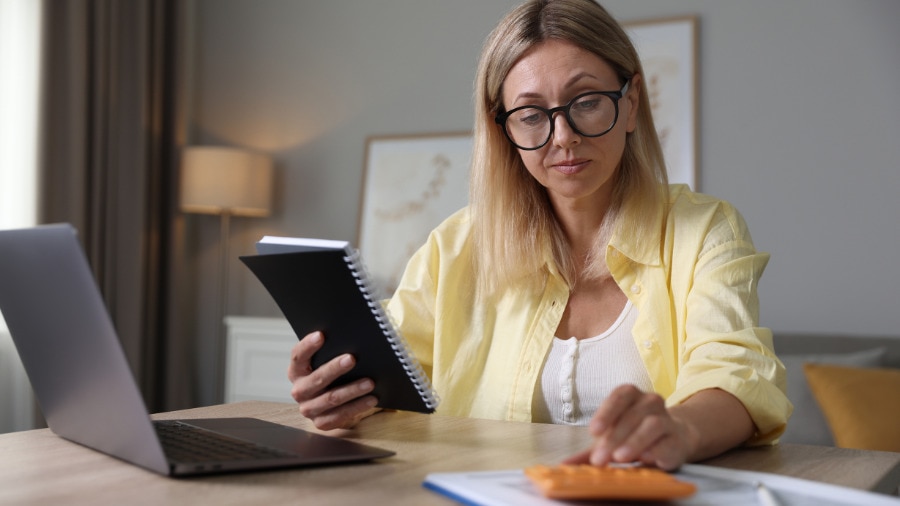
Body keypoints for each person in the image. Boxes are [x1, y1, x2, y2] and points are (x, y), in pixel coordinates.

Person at [288, 0, 791, 471]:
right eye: (531, 115)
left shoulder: (703, 230)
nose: (564, 136)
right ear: (503, 128)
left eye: (587, 101)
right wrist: (339, 397)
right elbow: (388, 388)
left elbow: (736, 375)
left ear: (631, 101)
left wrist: (678, 427)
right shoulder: (454, 247)